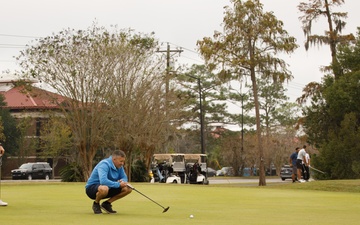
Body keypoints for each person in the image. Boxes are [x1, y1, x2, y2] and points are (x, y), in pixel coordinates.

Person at [85, 150, 132, 214]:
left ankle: (106, 204)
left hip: (108, 187)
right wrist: (118, 184)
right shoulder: (104, 164)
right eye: (121, 161)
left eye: (123, 161)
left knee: (128, 188)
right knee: (104, 188)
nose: (122, 163)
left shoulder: (119, 166)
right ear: (114, 159)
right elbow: (103, 181)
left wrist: (123, 181)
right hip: (92, 188)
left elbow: (124, 177)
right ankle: (96, 204)